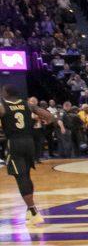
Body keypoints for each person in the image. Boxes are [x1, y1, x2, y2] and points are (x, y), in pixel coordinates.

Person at [1, 87, 60, 225]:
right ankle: (29, 209)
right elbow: (49, 116)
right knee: (26, 175)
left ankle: (34, 212)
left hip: (14, 143)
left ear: (6, 94)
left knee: (21, 177)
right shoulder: (28, 104)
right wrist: (44, 122)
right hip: (29, 142)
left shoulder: (2, 106)